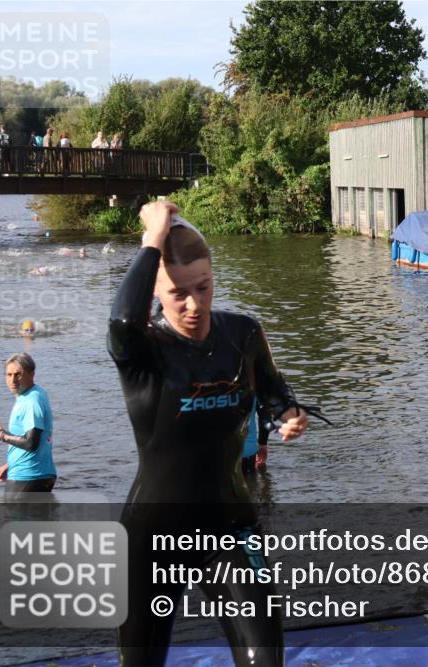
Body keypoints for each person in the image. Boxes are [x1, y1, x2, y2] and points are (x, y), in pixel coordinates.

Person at [108, 200, 309, 666]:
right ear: (155, 292)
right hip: (152, 534)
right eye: (179, 294)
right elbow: (121, 317)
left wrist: (289, 414)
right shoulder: (141, 350)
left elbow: (276, 390)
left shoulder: (242, 333)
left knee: (265, 657)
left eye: (204, 287)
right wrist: (153, 236)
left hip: (230, 523)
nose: (195, 304)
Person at [0, 353, 57, 498]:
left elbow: (31, 443)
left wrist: (0, 434)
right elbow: (40, 439)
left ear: (31, 374)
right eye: (9, 374)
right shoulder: (35, 394)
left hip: (28, 476)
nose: (13, 380)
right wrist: (11, 464)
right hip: (35, 474)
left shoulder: (30, 402)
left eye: (18, 374)